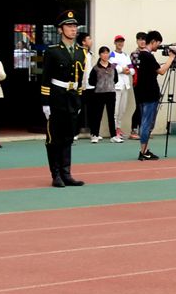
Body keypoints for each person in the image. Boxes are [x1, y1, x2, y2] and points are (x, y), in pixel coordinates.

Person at [39, 11, 86, 187]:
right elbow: (45, 78)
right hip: (56, 97)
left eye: (75, 26)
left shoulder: (81, 52)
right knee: (54, 138)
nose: (73, 29)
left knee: (68, 137)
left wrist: (79, 99)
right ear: (60, 29)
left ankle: (67, 174)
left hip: (72, 98)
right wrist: (45, 102)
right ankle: (56, 174)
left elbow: (80, 78)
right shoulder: (53, 51)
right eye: (69, 26)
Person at [134, 31, 175, 160]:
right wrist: (171, 58)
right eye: (158, 43)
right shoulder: (148, 56)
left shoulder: (141, 55)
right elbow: (161, 71)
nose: (158, 46)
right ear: (153, 42)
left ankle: (145, 149)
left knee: (144, 122)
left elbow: (153, 69)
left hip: (141, 93)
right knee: (147, 123)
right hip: (150, 94)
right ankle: (143, 151)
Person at [87, 46, 119, 144]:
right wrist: (100, 84)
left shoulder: (113, 67)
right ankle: (95, 135)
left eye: (107, 53)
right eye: (103, 53)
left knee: (111, 115)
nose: (105, 55)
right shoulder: (96, 68)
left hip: (111, 93)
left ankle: (113, 136)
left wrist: (109, 85)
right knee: (97, 115)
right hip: (99, 94)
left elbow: (116, 80)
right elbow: (91, 81)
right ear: (100, 55)